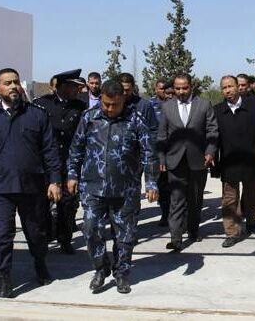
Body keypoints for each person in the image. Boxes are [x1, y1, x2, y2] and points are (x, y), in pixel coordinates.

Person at [0, 68, 62, 298]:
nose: (13, 86)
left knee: (36, 233)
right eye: (7, 83)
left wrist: (54, 180)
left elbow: (50, 150)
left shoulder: (37, 115)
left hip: (32, 187)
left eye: (16, 82)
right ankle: (4, 278)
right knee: (1, 235)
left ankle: (40, 264)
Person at [66, 80, 158, 294]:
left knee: (125, 235)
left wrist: (151, 182)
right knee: (90, 229)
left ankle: (122, 273)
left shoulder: (136, 119)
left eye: (114, 105)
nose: (109, 109)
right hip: (93, 187)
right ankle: (100, 268)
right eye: (105, 104)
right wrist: (72, 175)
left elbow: (149, 153)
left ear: (123, 100)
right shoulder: (89, 117)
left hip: (125, 189)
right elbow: (76, 148)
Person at [156, 73, 218, 252]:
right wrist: (161, 157)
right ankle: (175, 238)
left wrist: (210, 151)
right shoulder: (167, 107)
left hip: (198, 159)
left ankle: (193, 230)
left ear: (191, 87)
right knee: (176, 199)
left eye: (184, 88)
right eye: (177, 88)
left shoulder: (204, 104)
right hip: (174, 160)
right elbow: (162, 135)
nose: (181, 92)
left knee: (195, 198)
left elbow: (212, 130)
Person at [33, 69, 87, 254]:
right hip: (46, 163)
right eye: (74, 87)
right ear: (63, 86)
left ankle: (65, 239)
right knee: (42, 202)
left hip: (69, 163)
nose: (78, 90)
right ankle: (47, 234)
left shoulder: (80, 107)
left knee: (68, 203)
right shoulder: (41, 104)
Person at [213, 75, 255, 248]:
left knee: (253, 197)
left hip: (253, 161)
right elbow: (214, 139)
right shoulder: (218, 110)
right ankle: (232, 232)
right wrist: (215, 163)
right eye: (224, 87)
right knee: (229, 200)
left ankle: (251, 220)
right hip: (229, 163)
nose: (228, 90)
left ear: (238, 87)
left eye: (230, 86)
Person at [149, 78, 171, 226]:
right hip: (158, 150)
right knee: (162, 184)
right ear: (156, 89)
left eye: (166, 89)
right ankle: (165, 213)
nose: (164, 91)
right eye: (161, 89)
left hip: (174, 149)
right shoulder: (150, 105)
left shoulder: (174, 103)